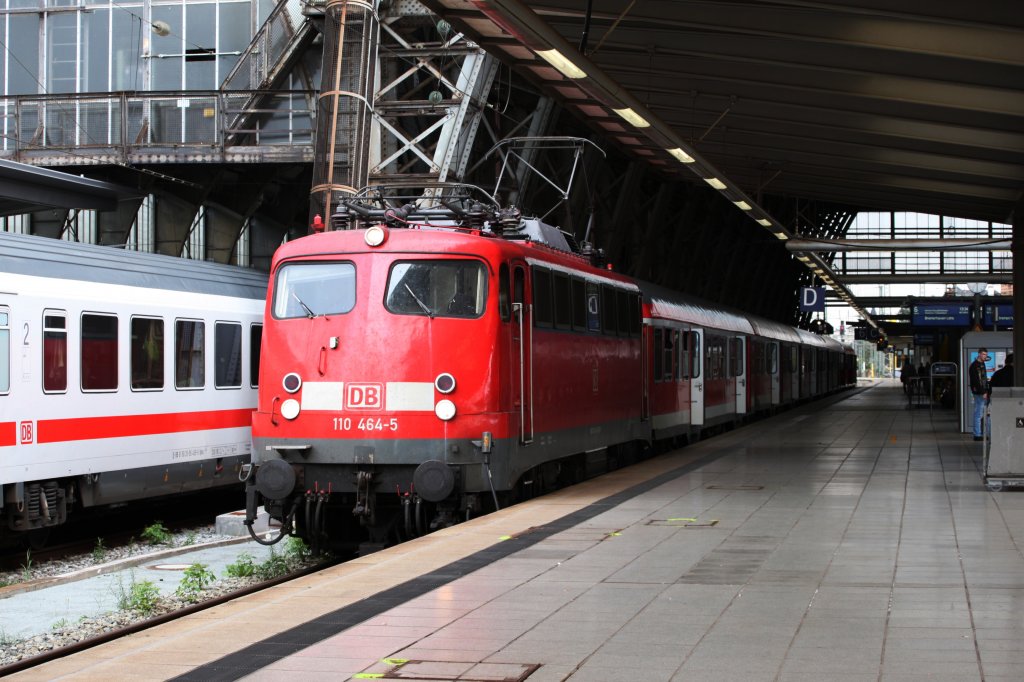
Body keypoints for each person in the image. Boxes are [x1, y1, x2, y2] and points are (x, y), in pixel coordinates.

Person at [968, 348, 991, 441]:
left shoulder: (982, 364)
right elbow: (976, 381)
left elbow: (982, 379)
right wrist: (983, 392)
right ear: (979, 354)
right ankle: (977, 434)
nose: (984, 356)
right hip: (979, 393)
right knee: (978, 413)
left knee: (983, 412)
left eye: (985, 354)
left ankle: (982, 433)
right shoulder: (974, 366)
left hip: (983, 391)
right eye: (983, 354)